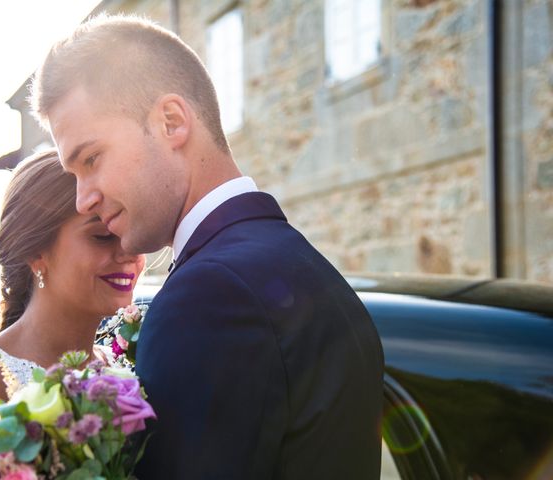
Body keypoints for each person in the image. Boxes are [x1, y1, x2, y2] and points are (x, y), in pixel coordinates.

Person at [31, 14, 384, 479]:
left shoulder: (208, 298)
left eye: (92, 159)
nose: (84, 198)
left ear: (172, 122)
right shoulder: (301, 264)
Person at [0, 149, 145, 451]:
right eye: (103, 236)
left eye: (132, 231)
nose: (130, 251)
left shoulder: (121, 365)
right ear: (35, 252)